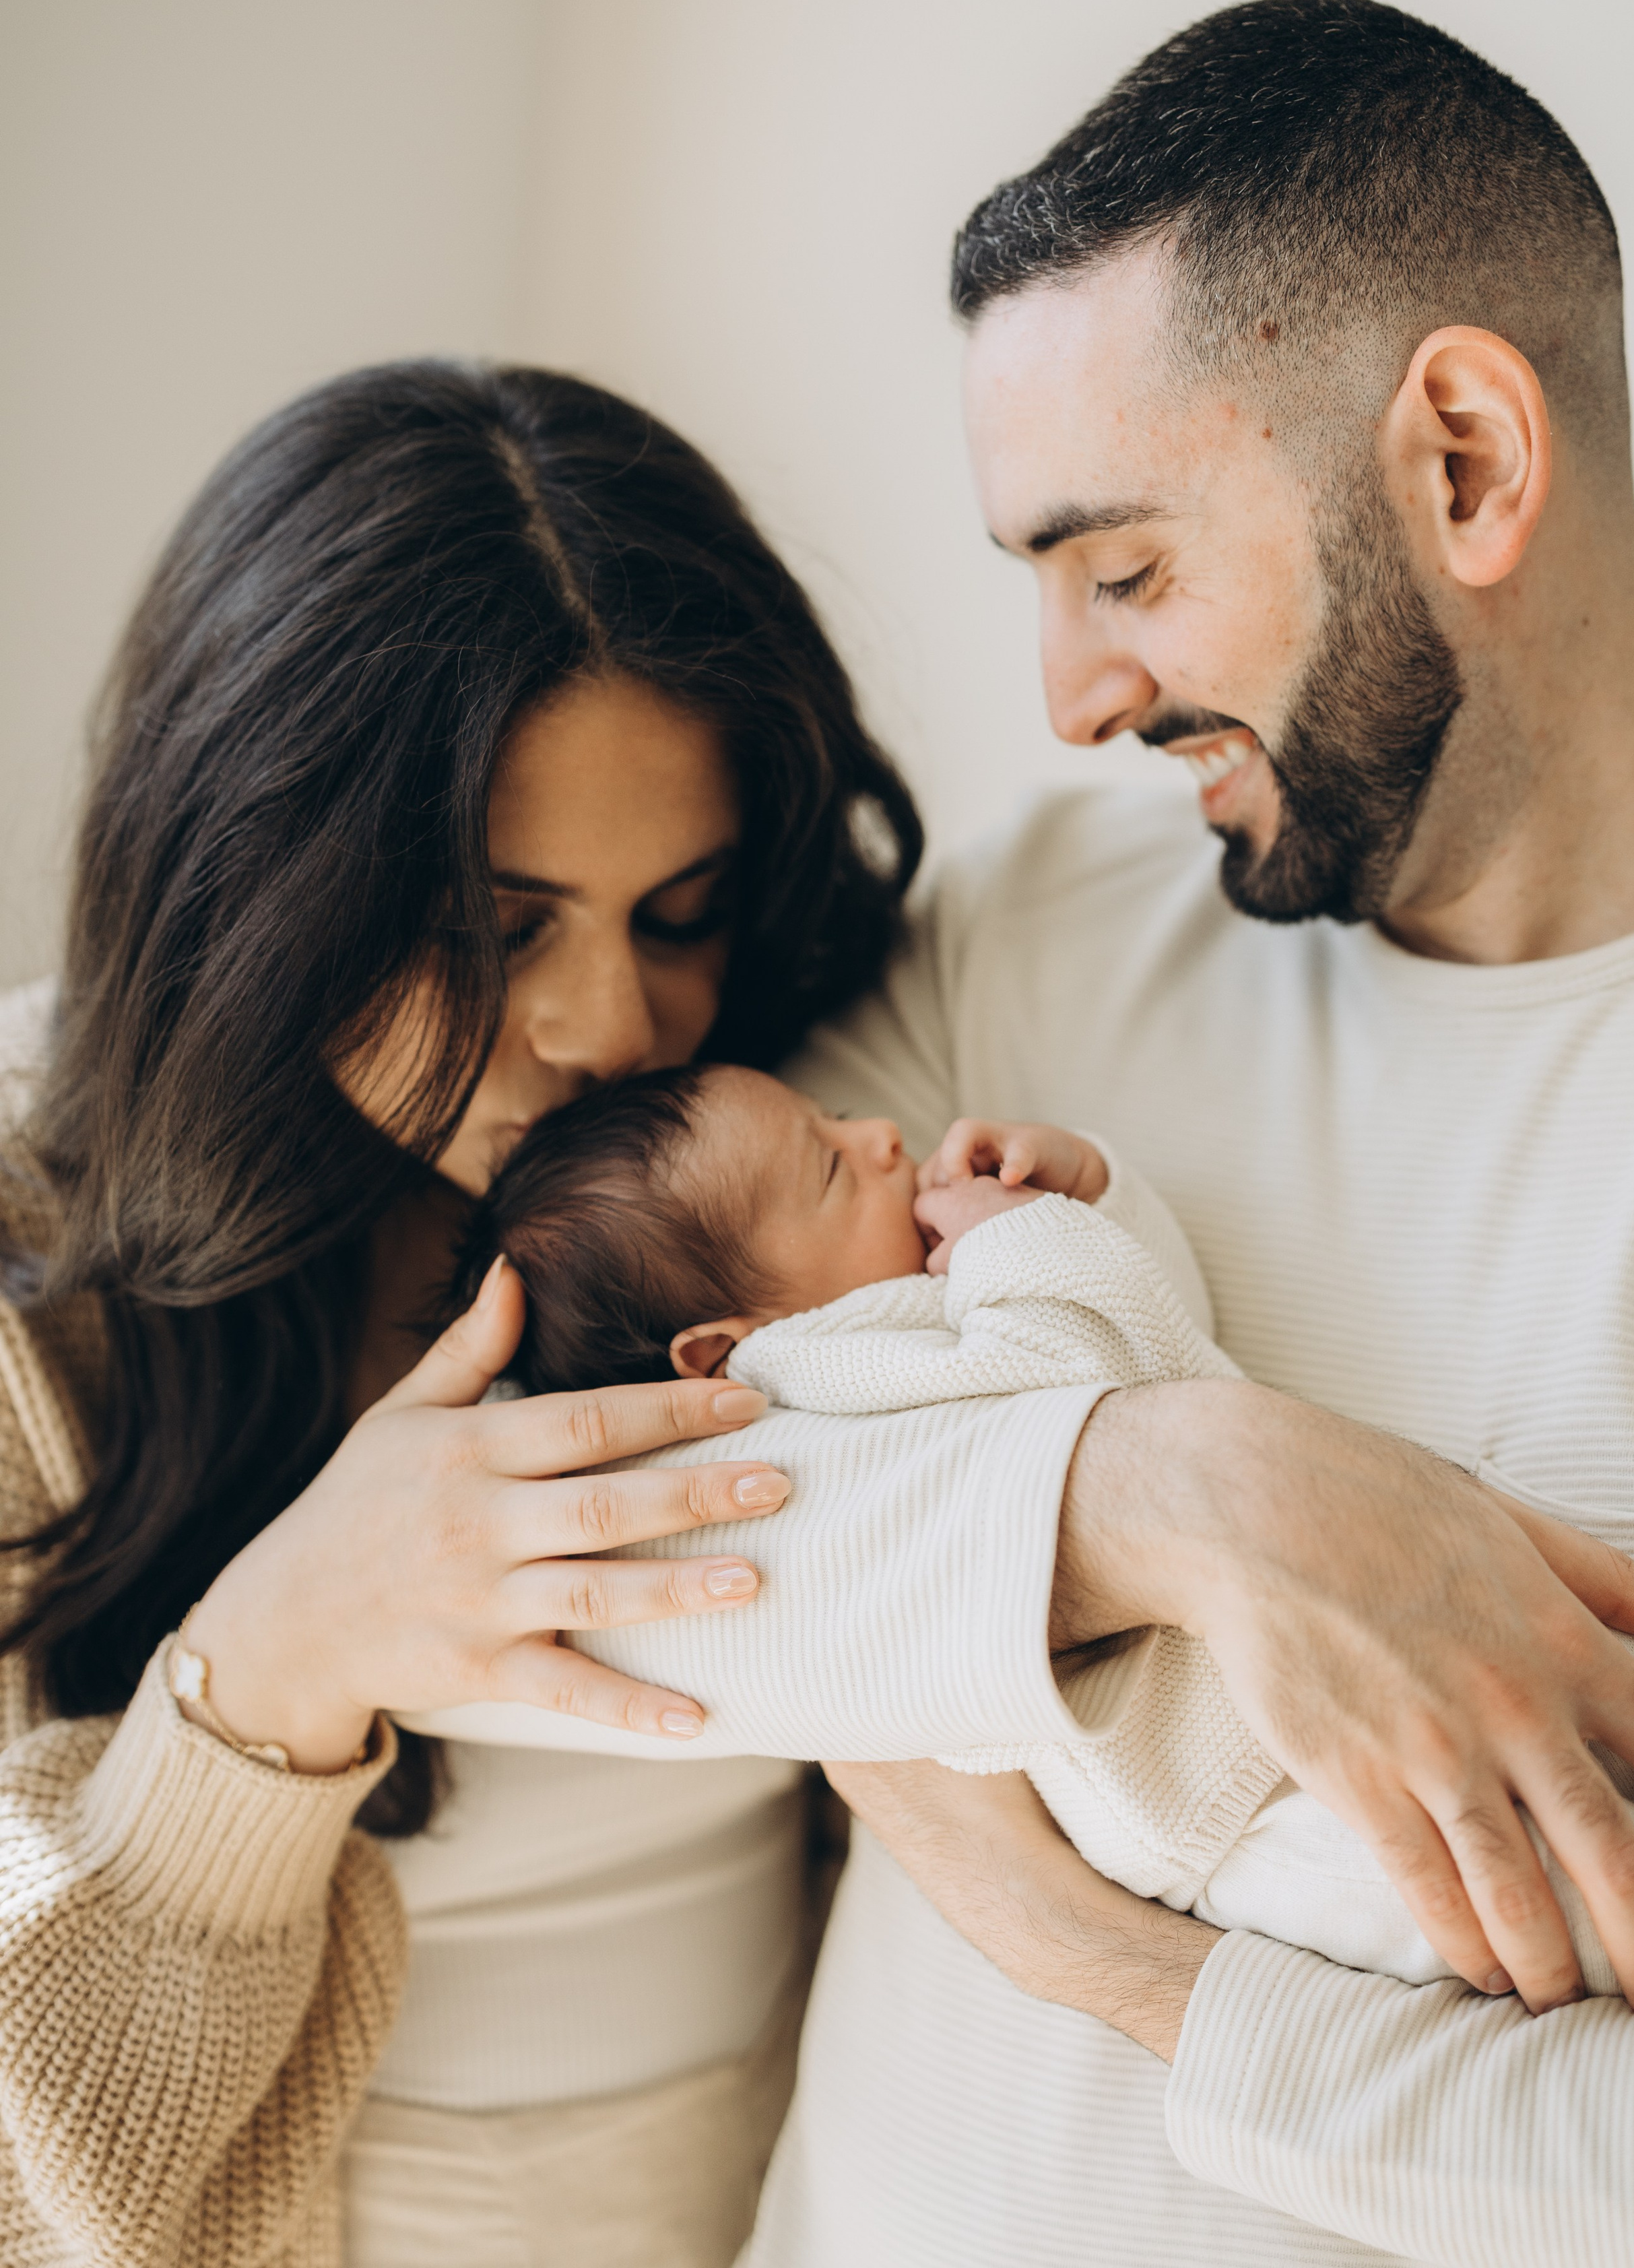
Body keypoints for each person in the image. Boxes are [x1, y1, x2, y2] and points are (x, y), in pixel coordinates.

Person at [730, 0, 1634, 2267]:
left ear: (1464, 460)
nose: (1072, 701)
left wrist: (1122, 1974)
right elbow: (637, 1456)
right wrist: (1168, 1492)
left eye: (1128, 570)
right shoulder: (1037, 932)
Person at [0, 359, 932, 2268]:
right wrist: (268, 1671)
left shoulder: (785, 1129)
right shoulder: (35, 1276)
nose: (611, 1028)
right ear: (255, 883)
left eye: (678, 912)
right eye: (496, 931)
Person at [458, 1064, 1634, 2007]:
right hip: (1236, 1799)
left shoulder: (913, 1314)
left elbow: (1166, 1336)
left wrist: (1088, 1196)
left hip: (1289, 1722)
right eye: (831, 1166)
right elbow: (1092, 1380)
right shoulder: (827, 1379)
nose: (881, 1134)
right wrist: (1032, 1243)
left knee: (1578, 1811)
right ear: (720, 1348)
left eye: (838, 1118)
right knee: (1572, 1925)